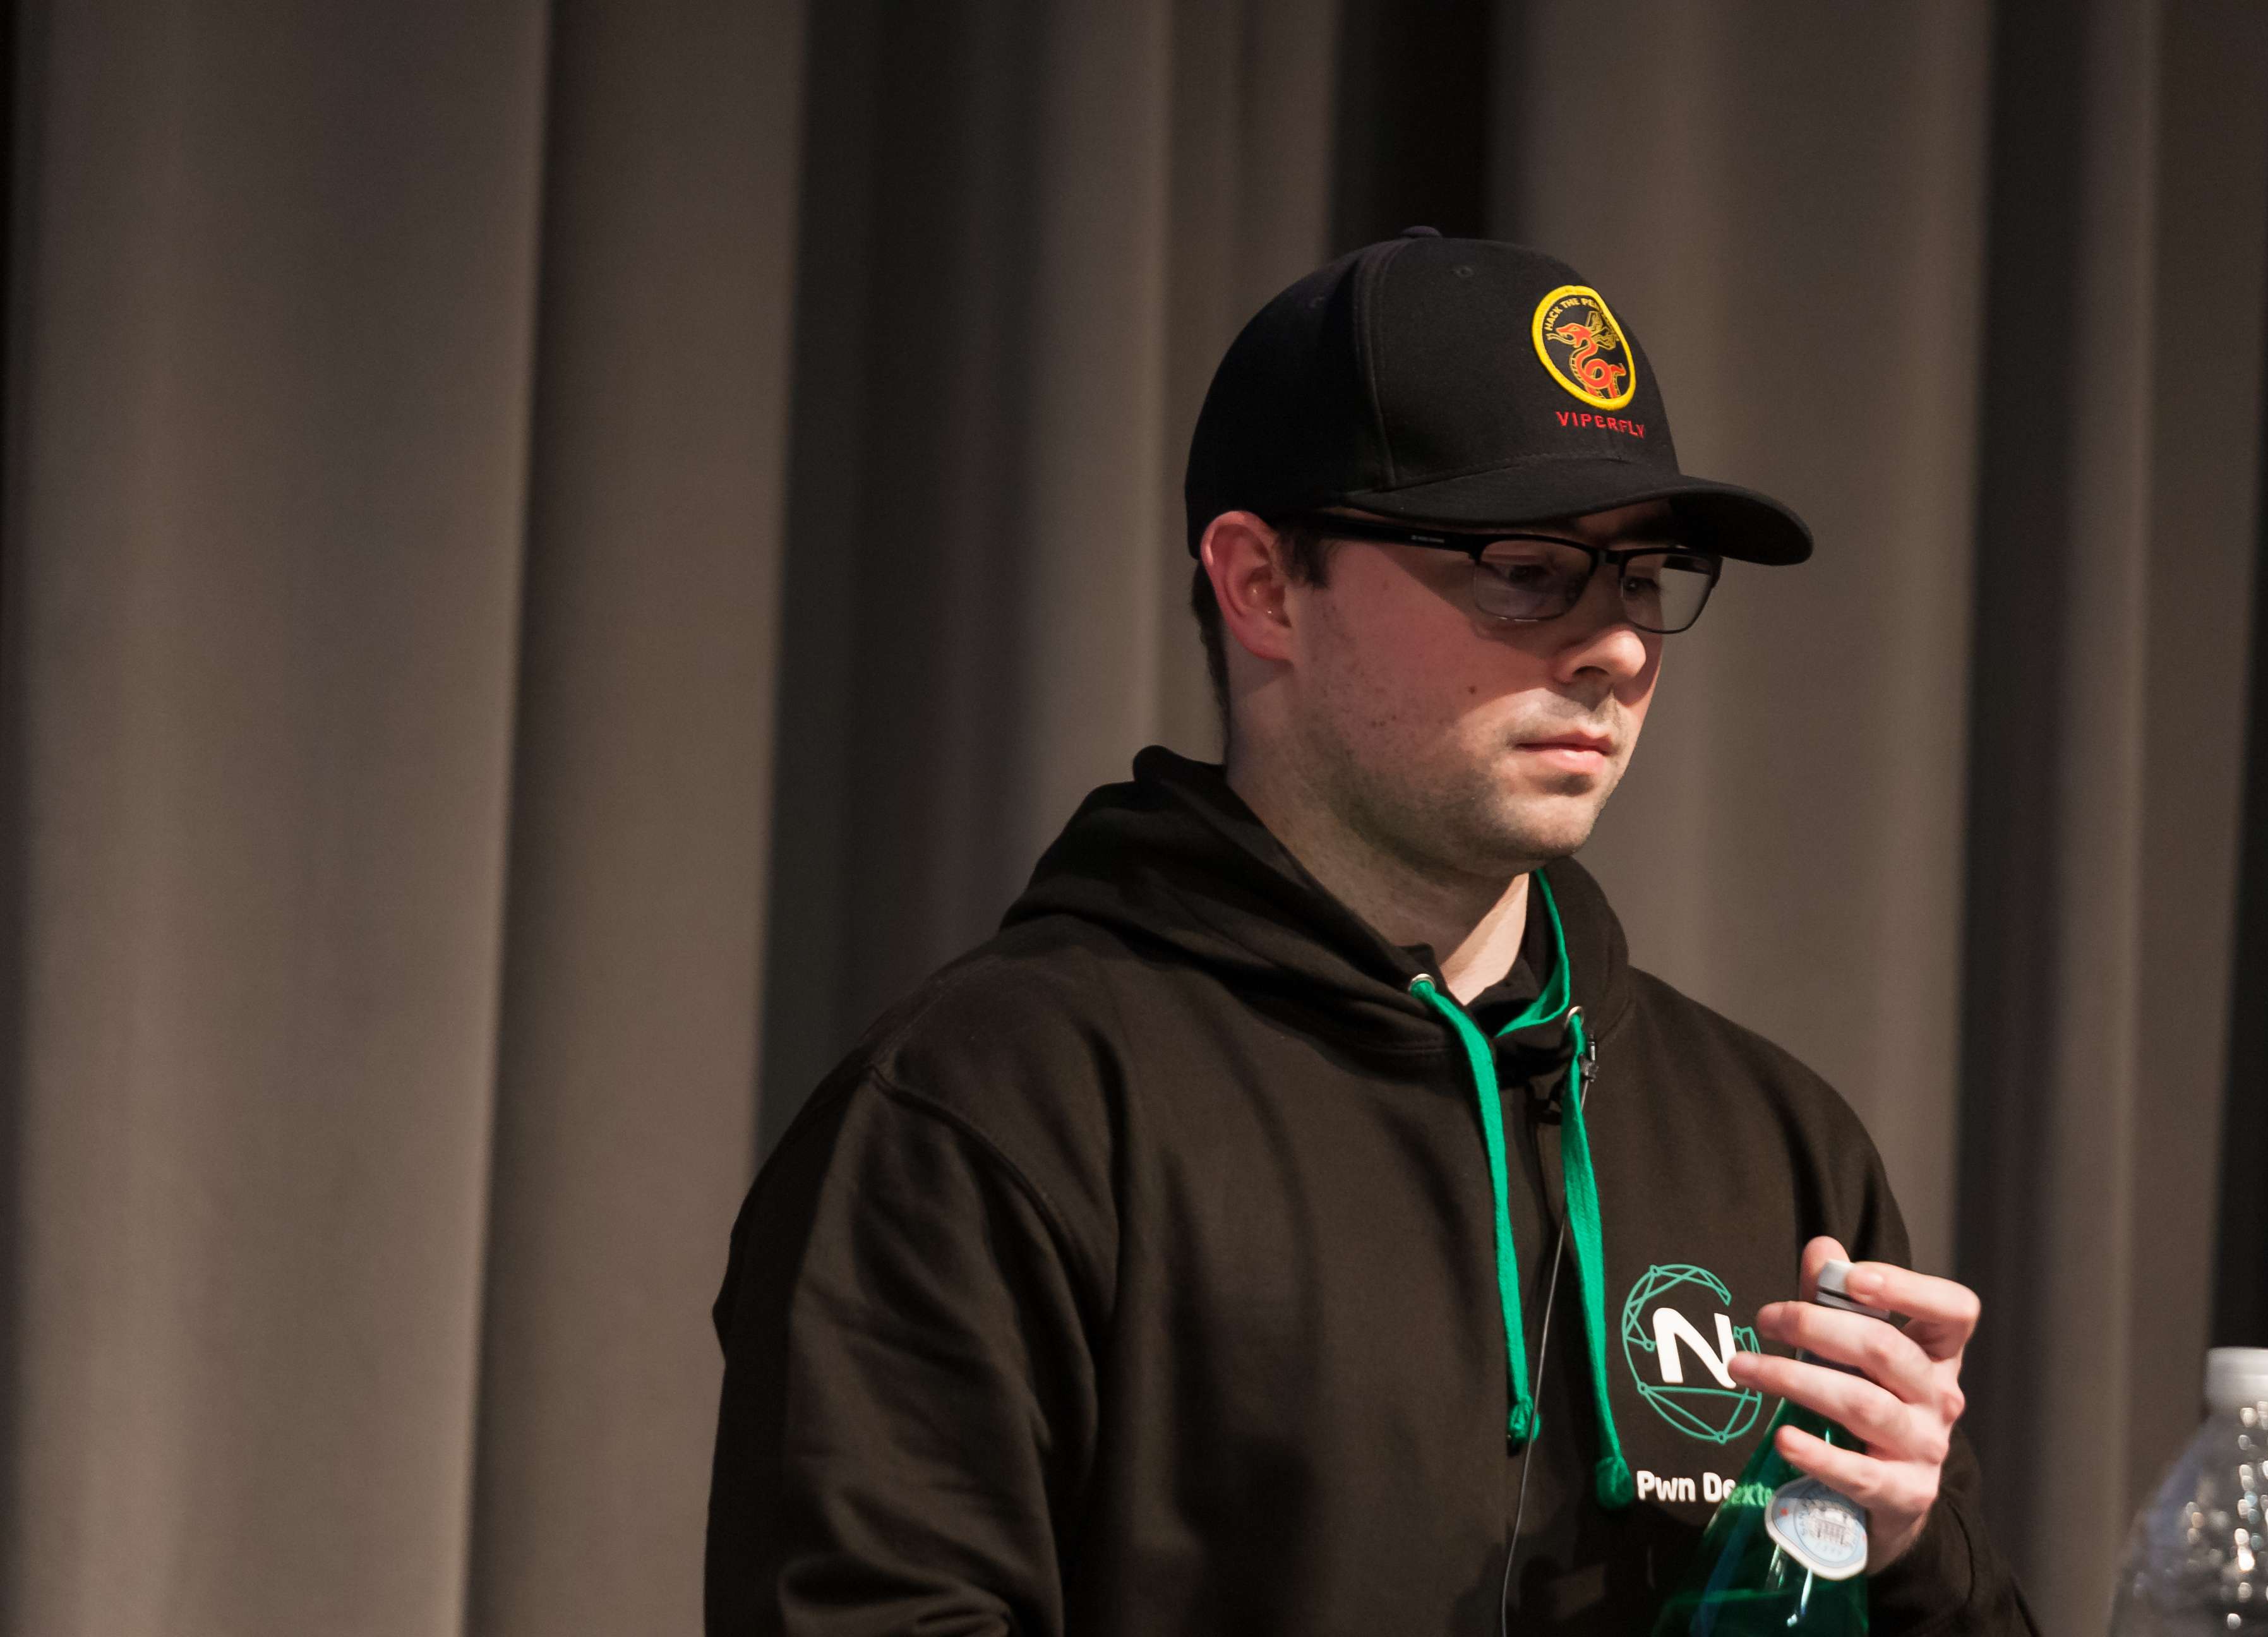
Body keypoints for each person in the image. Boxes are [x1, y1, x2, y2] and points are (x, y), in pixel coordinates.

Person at [705, 230, 2037, 1634]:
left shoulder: (1775, 1146)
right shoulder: (990, 1115)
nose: (1618, 646)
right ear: (1264, 585)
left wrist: (1912, 1558)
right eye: (1527, 568)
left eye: (1647, 574)